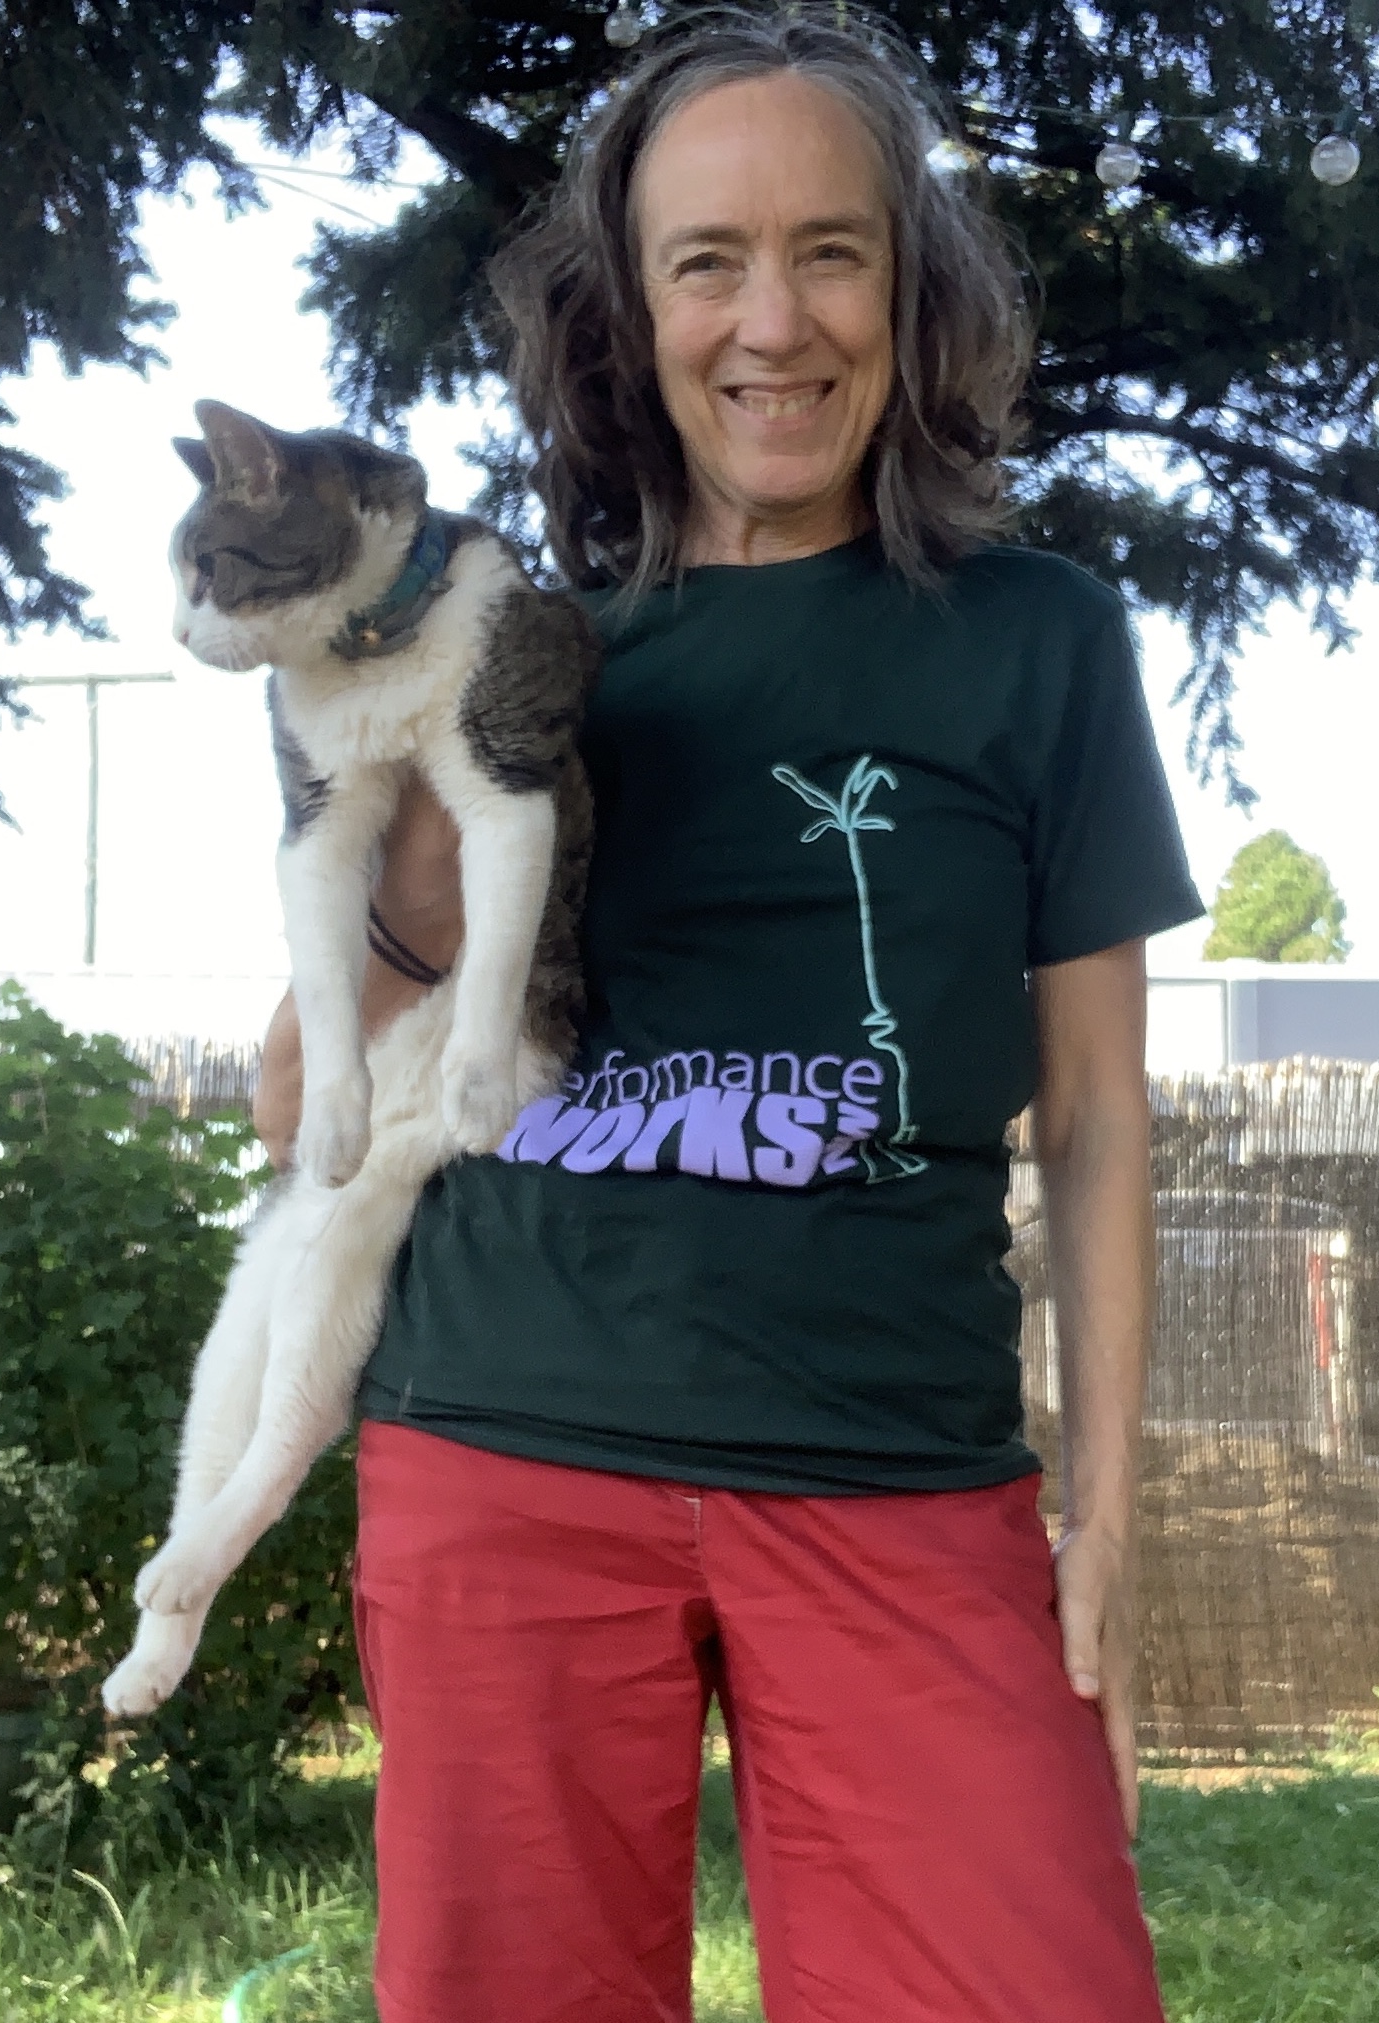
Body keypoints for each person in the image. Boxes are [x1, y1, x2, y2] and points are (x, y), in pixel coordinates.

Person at [251, 11, 1203, 2019]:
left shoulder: (1035, 639)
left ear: (908, 287)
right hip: (503, 1446)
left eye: (829, 251)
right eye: (707, 263)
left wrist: (1109, 1519)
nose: (774, 322)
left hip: (897, 1465)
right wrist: (415, 878)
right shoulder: (524, 653)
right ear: (630, 315)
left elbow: (1098, 1115)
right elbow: (294, 1113)